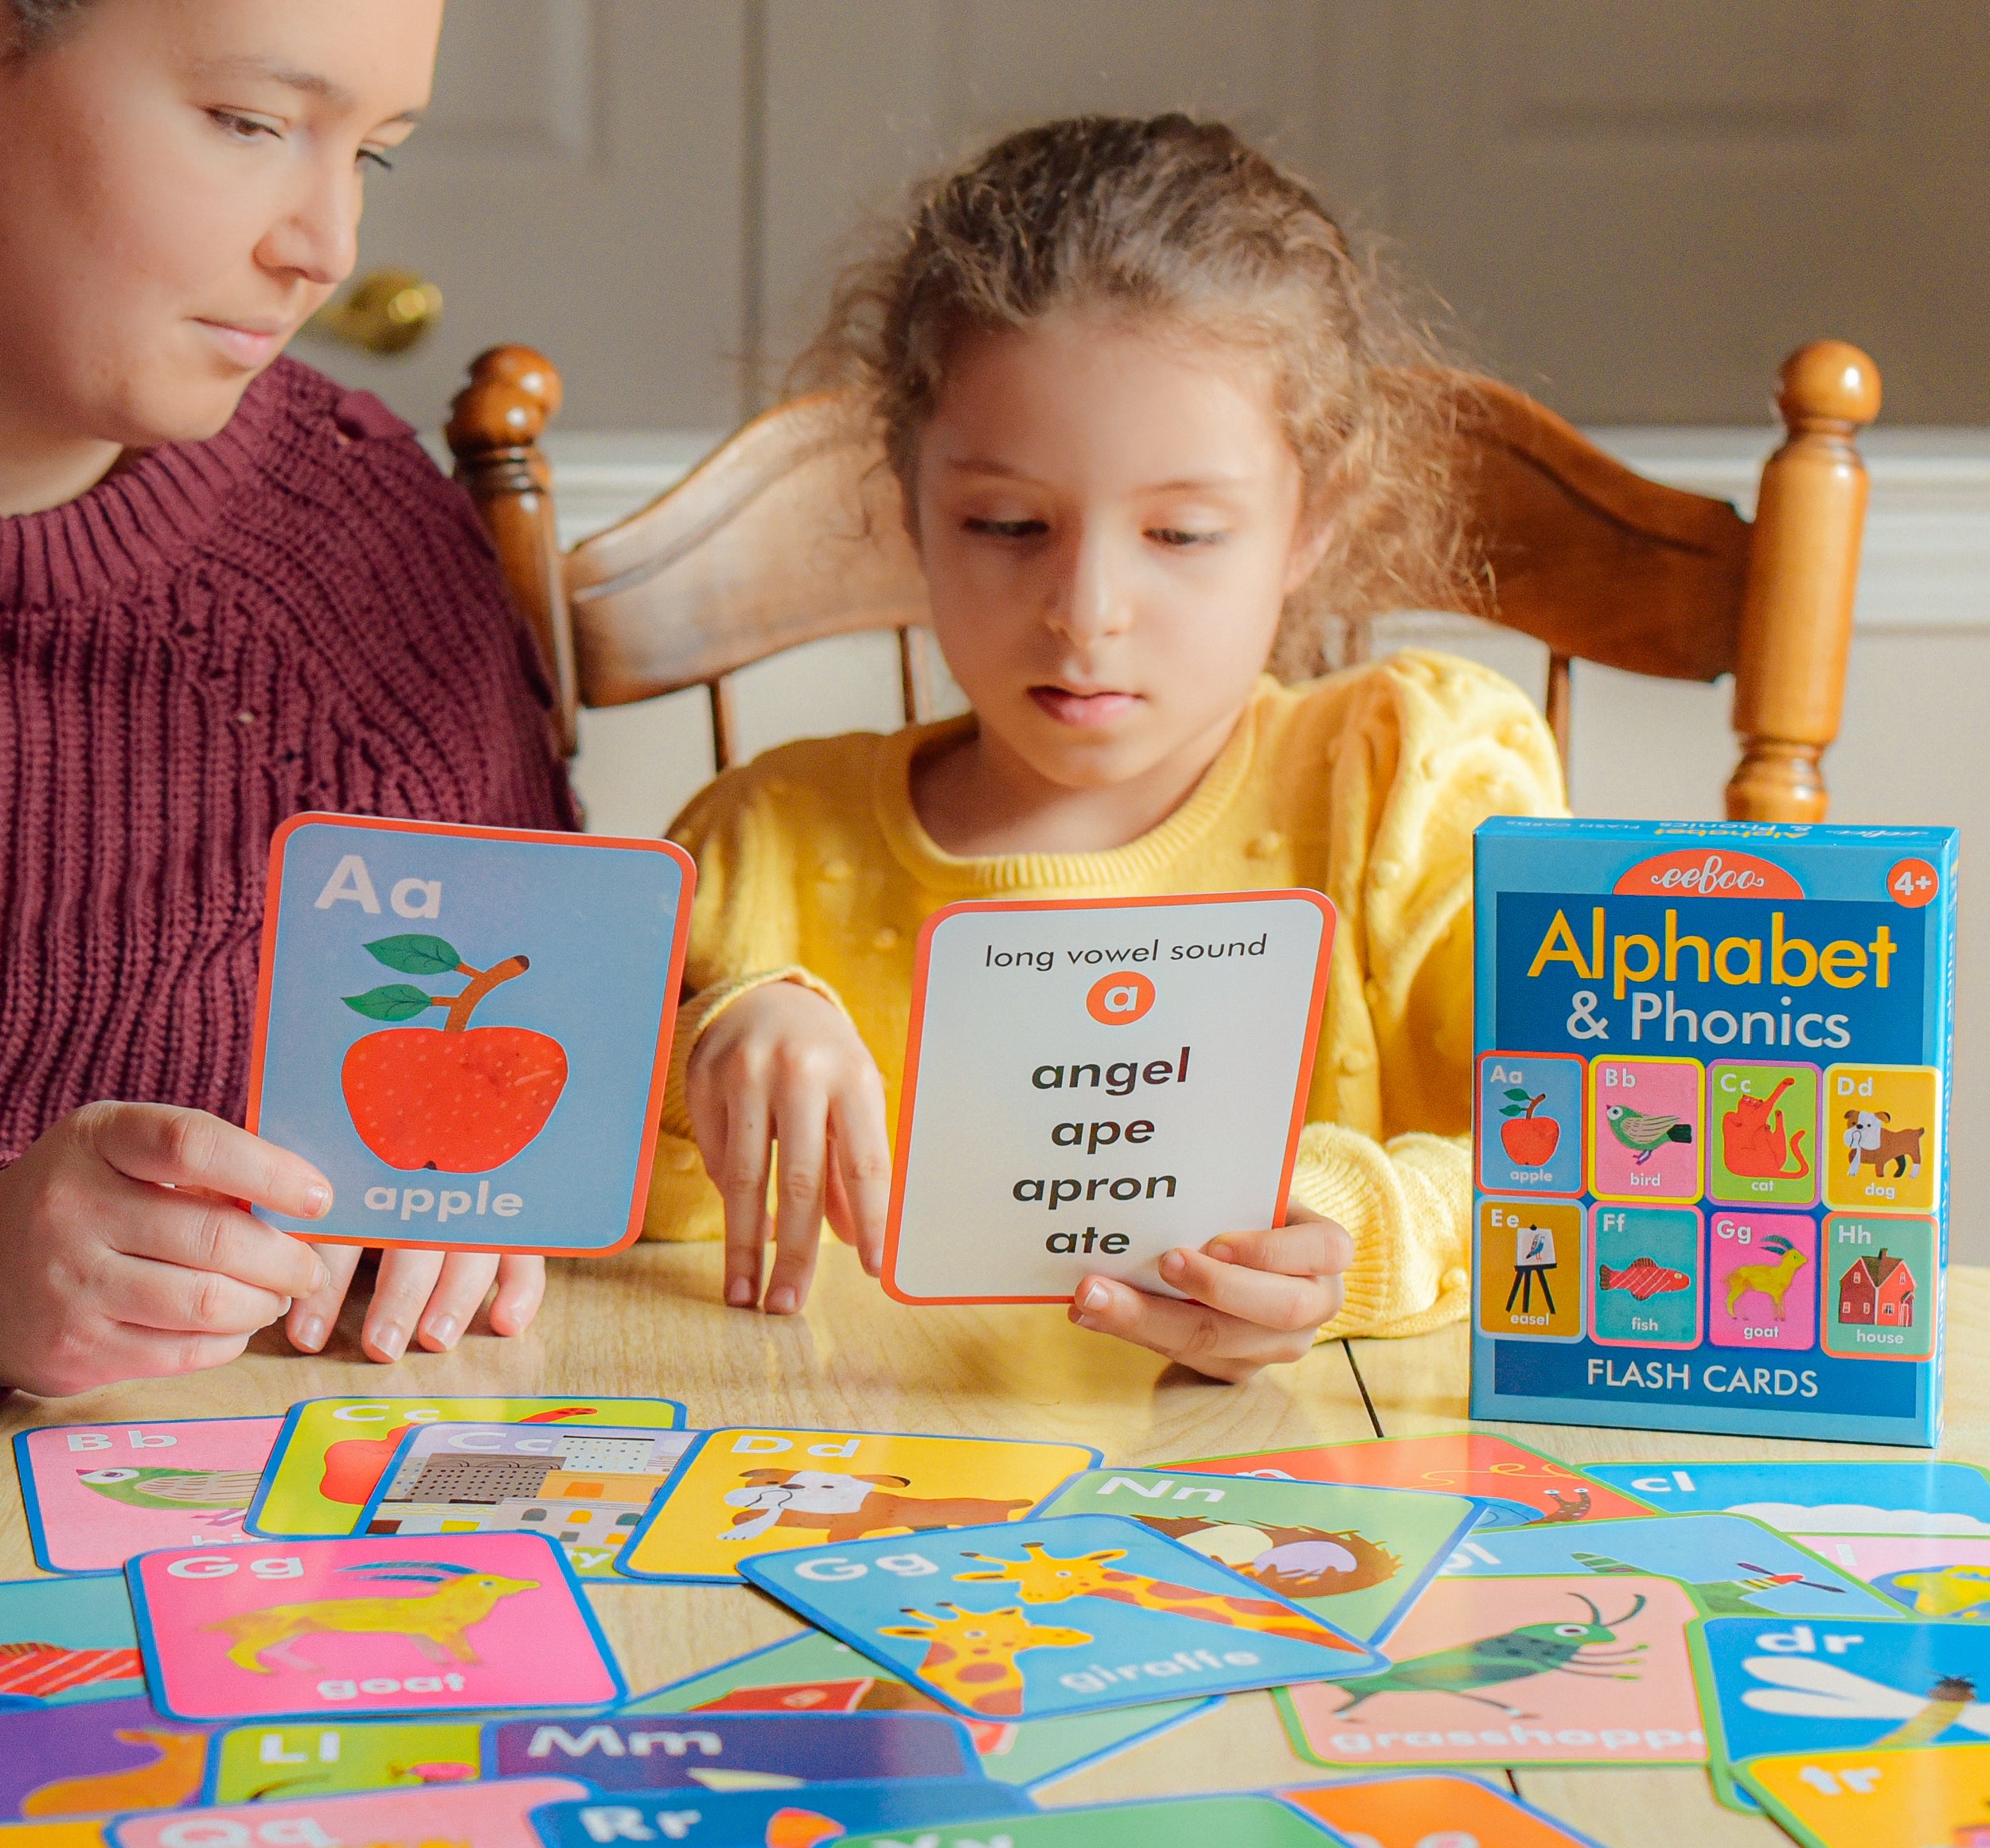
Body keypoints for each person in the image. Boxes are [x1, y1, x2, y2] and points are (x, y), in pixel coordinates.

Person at [649, 115, 1564, 1382]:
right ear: (909, 496)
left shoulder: (1402, 781)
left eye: (1183, 535)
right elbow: (555, 1197)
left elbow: (1579, 1157)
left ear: (1315, 520)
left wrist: (1348, 1235)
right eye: (1010, 522)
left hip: (1291, 1526)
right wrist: (704, 1059)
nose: (1086, 612)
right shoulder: (766, 843)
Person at [0, 0, 578, 1395]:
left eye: (370, 155)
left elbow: (557, 1056)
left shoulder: (370, 555)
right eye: (252, 124)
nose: (325, 248)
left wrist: (485, 1215)